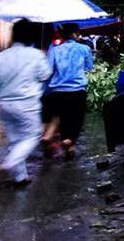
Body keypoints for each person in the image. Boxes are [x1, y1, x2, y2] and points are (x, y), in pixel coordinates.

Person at [0, 21, 51, 186]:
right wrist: (42, 55)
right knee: (32, 135)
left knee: (15, 140)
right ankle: (10, 162)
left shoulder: (1, 56)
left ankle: (20, 177)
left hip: (5, 104)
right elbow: (45, 75)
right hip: (27, 104)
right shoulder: (35, 54)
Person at [41, 23, 93, 159]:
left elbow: (49, 71)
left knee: (60, 117)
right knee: (76, 119)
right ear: (74, 34)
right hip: (77, 90)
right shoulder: (84, 48)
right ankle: (68, 140)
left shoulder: (54, 50)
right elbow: (89, 67)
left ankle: (65, 146)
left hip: (57, 91)